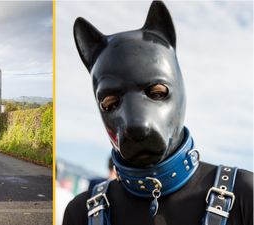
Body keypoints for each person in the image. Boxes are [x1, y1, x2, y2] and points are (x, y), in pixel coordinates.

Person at [63, 1, 253, 225]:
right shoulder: (80, 213)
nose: (136, 123)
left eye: (157, 92)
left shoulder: (245, 195)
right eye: (111, 103)